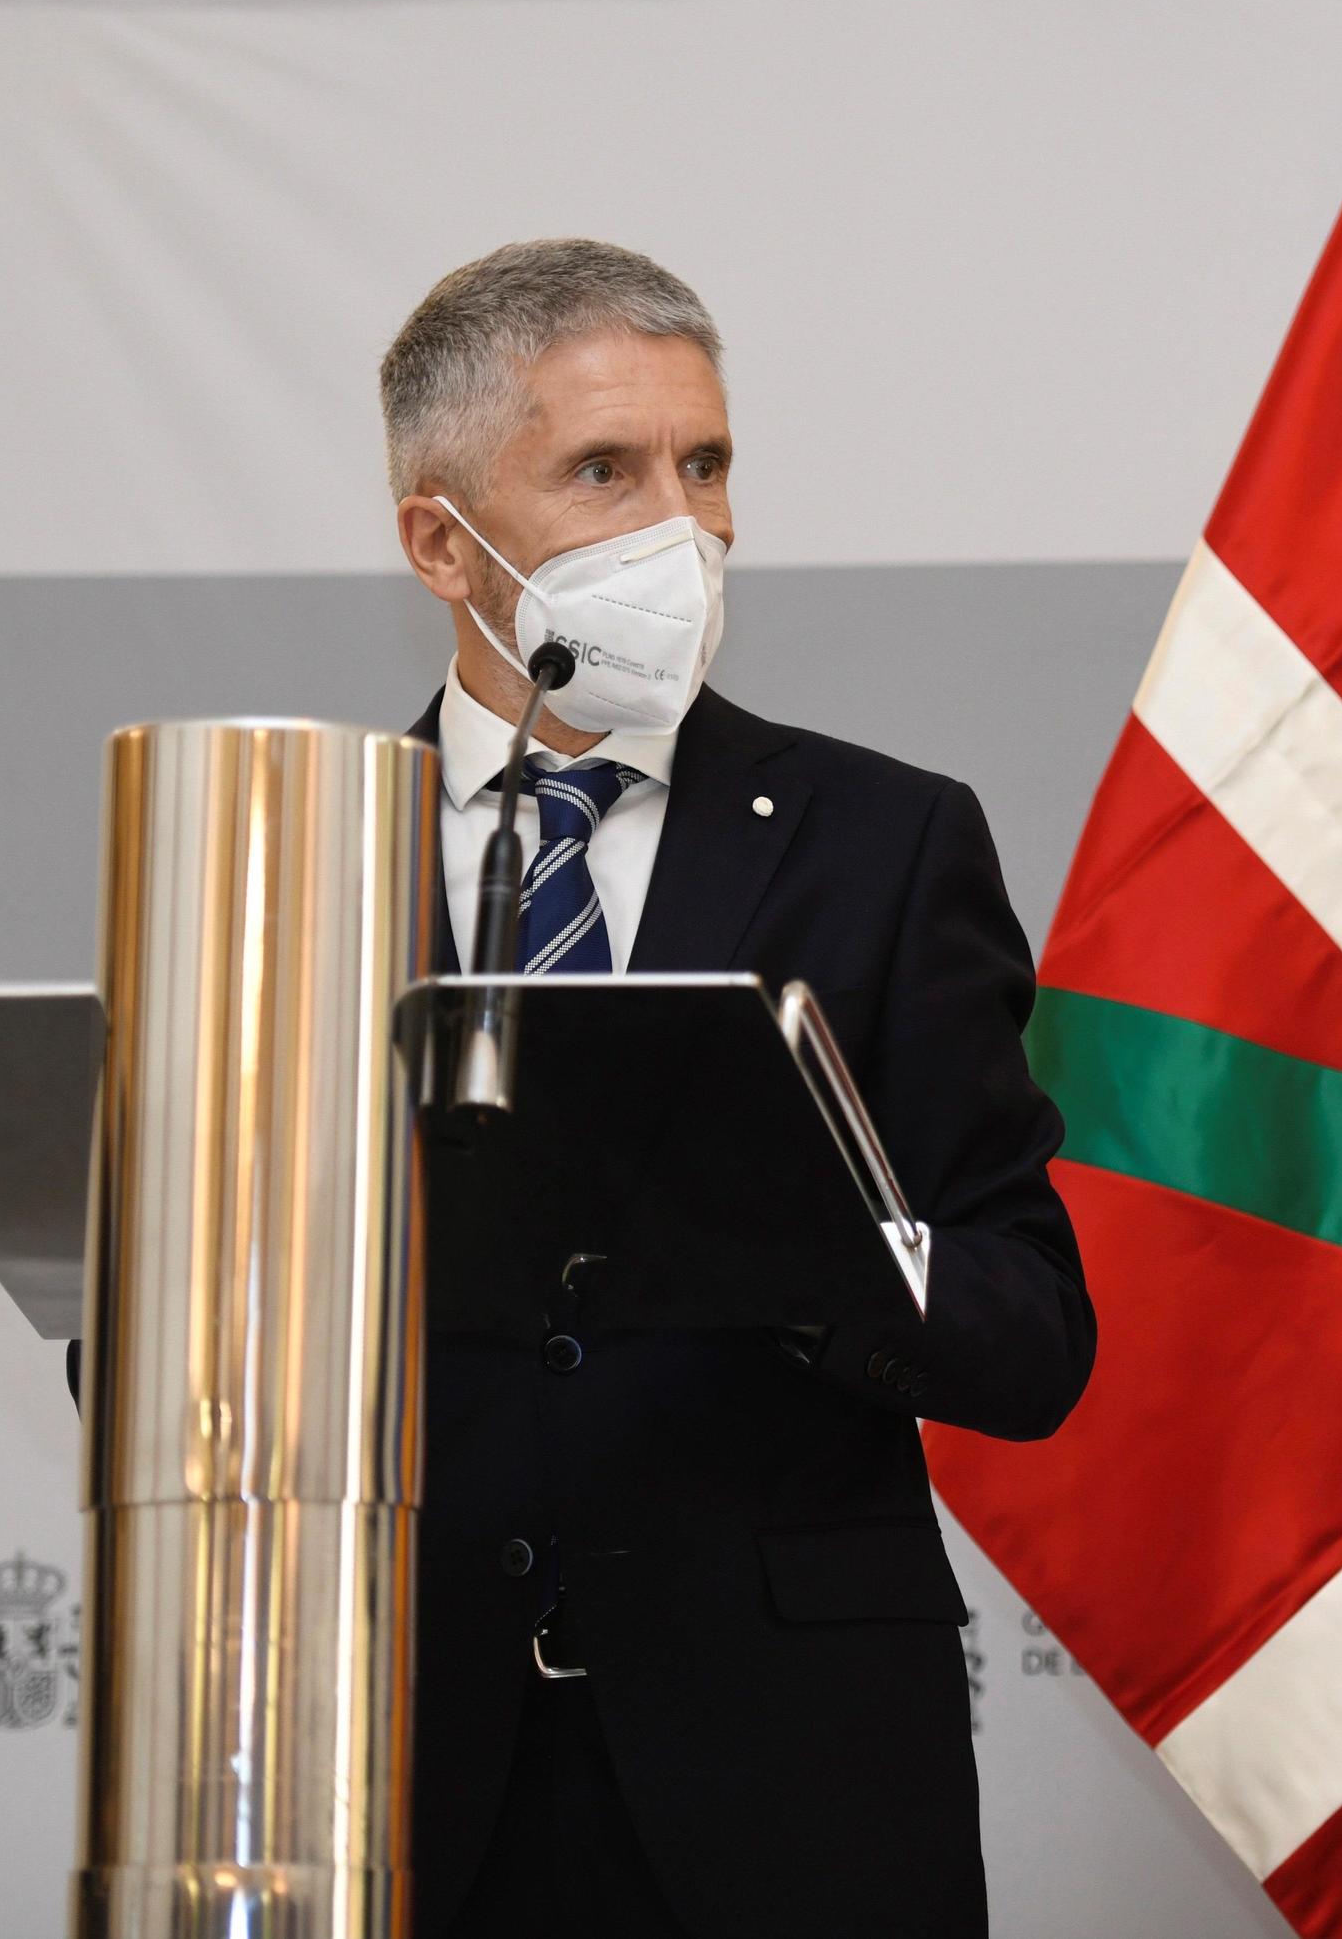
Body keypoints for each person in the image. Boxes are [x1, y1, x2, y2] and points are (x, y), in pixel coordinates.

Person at [381, 238, 1092, 1935]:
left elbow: (1032, 1325)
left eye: (704, 466)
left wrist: (814, 1240)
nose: (680, 529)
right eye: (604, 472)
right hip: (403, 1765)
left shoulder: (887, 840)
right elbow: (146, 1354)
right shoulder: (301, 858)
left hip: (793, 1781)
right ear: (439, 537)